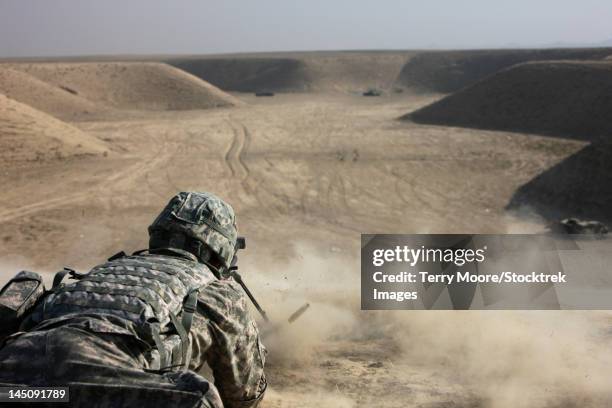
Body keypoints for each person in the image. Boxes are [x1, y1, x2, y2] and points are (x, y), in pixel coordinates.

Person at [0, 192, 267, 408]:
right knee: (199, 398)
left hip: (18, 389)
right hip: (85, 388)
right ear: (221, 248)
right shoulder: (216, 290)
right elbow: (243, 395)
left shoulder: (108, 269)